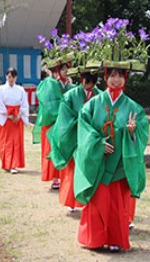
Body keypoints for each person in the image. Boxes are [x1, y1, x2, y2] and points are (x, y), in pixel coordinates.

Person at [74, 68, 149, 251]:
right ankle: (95, 239)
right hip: (98, 163)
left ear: (125, 79)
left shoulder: (134, 107)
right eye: (113, 76)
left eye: (120, 76)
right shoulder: (93, 104)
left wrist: (132, 133)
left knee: (117, 203)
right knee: (97, 201)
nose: (116, 80)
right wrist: (98, 143)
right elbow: (83, 128)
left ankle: (116, 239)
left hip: (120, 164)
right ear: (106, 77)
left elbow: (142, 133)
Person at [50, 70, 102, 211]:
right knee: (73, 169)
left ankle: (89, 199)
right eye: (87, 83)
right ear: (81, 79)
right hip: (75, 136)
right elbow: (64, 118)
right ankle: (72, 201)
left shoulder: (100, 96)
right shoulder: (70, 96)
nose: (89, 87)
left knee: (90, 168)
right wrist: (81, 123)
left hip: (91, 138)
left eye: (92, 84)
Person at [35, 63, 74, 189]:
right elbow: (48, 103)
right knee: (52, 150)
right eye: (63, 69)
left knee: (65, 149)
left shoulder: (69, 85)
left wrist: (72, 86)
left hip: (64, 123)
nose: (65, 71)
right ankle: (55, 178)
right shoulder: (49, 83)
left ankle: (63, 177)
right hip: (52, 122)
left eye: (67, 69)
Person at [0, 67, 29, 174]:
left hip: (16, 119)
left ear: (16, 77)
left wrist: (18, 114)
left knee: (16, 143)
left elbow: (24, 104)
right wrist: (8, 115)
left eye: (13, 77)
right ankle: (7, 164)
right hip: (6, 119)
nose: (11, 79)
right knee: (6, 143)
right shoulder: (0, 90)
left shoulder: (20, 90)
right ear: (6, 77)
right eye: (9, 77)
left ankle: (13, 165)